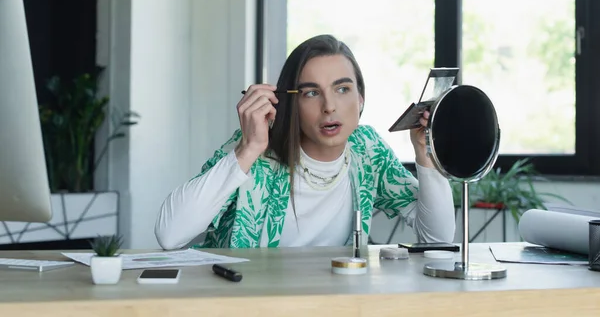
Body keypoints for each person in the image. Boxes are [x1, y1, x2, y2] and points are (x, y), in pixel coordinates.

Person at [155, 34, 455, 250]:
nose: (329, 106)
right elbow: (169, 235)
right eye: (311, 92)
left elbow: (438, 240)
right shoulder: (257, 145)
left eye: (342, 89)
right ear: (290, 103)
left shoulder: (367, 149)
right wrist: (248, 150)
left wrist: (425, 154)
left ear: (360, 98)